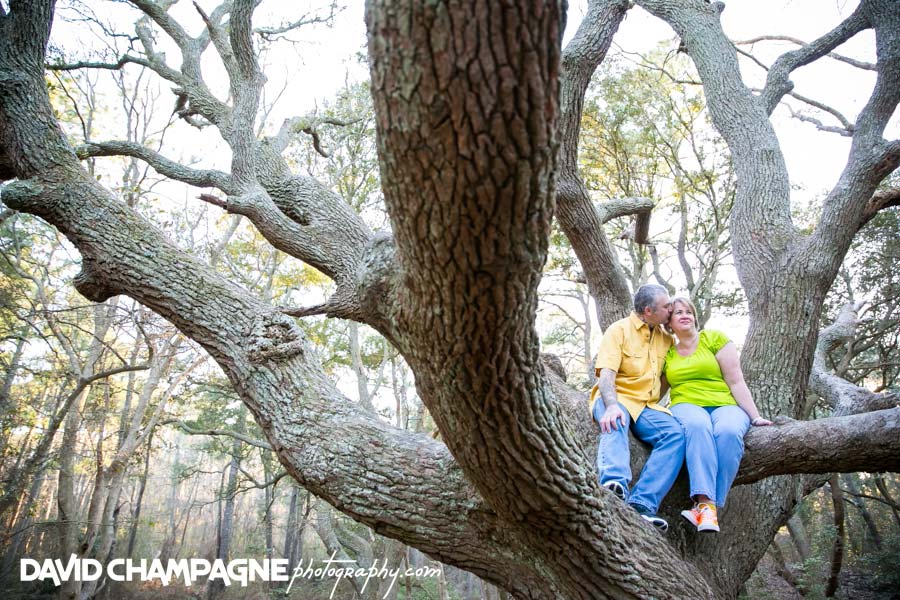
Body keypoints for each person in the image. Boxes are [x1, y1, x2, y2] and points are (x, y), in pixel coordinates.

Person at [663, 296, 772, 533]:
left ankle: (707, 507)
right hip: (686, 404)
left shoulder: (714, 339)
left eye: (688, 311)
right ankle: (705, 503)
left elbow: (736, 381)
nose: (685, 315)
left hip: (724, 404)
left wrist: (755, 416)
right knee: (698, 427)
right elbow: (656, 389)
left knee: (729, 431)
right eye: (678, 312)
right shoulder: (667, 353)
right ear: (669, 322)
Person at [590, 284, 685, 532]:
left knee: (675, 435)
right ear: (648, 310)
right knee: (616, 419)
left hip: (647, 407)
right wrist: (610, 406)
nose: (670, 309)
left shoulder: (666, 339)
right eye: (666, 307)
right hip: (617, 396)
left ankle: (642, 504)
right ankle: (613, 485)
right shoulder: (619, 330)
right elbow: (606, 374)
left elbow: (667, 378)